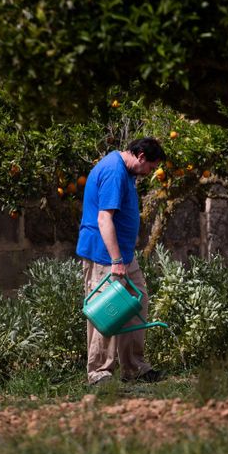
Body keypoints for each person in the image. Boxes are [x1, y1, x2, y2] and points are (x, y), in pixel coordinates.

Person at [77, 137, 167, 385]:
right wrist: (116, 260)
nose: (150, 173)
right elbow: (104, 219)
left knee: (138, 304)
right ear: (140, 157)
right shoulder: (114, 171)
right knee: (105, 312)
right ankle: (99, 373)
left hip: (124, 257)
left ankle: (134, 367)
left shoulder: (126, 172)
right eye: (150, 167)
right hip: (105, 256)